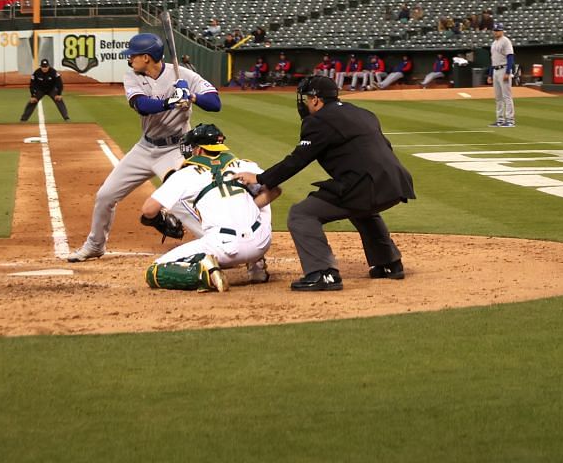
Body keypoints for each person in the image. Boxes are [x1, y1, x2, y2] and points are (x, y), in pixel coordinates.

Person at [248, 75, 416, 291]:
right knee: (361, 207)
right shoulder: (362, 113)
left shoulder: (318, 121)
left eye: (308, 99)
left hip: (366, 185)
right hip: (396, 182)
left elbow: (298, 160)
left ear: (317, 100)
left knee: (302, 214)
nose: (306, 103)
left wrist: (261, 179)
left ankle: (323, 273)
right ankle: (389, 264)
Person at [67, 32, 221, 262]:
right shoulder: (133, 76)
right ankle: (95, 245)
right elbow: (142, 105)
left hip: (175, 149)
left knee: (179, 200)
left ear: (147, 57)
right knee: (105, 195)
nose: (130, 59)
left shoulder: (184, 75)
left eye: (133, 55)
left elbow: (215, 103)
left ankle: (219, 245)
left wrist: (191, 96)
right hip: (145, 148)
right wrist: (170, 101)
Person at [139, 123, 278, 292]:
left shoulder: (185, 174)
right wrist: (250, 206)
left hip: (225, 249)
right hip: (261, 242)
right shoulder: (244, 165)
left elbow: (148, 210)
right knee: (260, 191)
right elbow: (276, 190)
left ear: (198, 150)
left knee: (155, 271)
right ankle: (256, 266)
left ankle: (205, 273)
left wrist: (158, 220)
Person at [19, 57, 69, 122]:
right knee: (32, 102)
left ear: (48, 66)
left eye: (46, 67)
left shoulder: (53, 72)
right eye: (43, 67)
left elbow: (59, 83)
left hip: (51, 89)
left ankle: (66, 117)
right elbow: (32, 85)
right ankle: (24, 119)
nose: (44, 68)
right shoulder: (36, 73)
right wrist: (33, 96)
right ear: (41, 67)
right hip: (40, 90)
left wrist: (59, 94)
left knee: (59, 100)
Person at [491, 24, 516, 128]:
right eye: (495, 30)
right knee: (498, 97)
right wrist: (489, 74)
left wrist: (508, 71)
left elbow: (510, 57)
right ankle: (500, 119)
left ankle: (510, 120)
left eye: (498, 30)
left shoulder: (506, 41)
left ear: (502, 31)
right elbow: (493, 59)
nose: (496, 32)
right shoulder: (494, 43)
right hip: (495, 70)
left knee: (506, 96)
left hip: (503, 69)